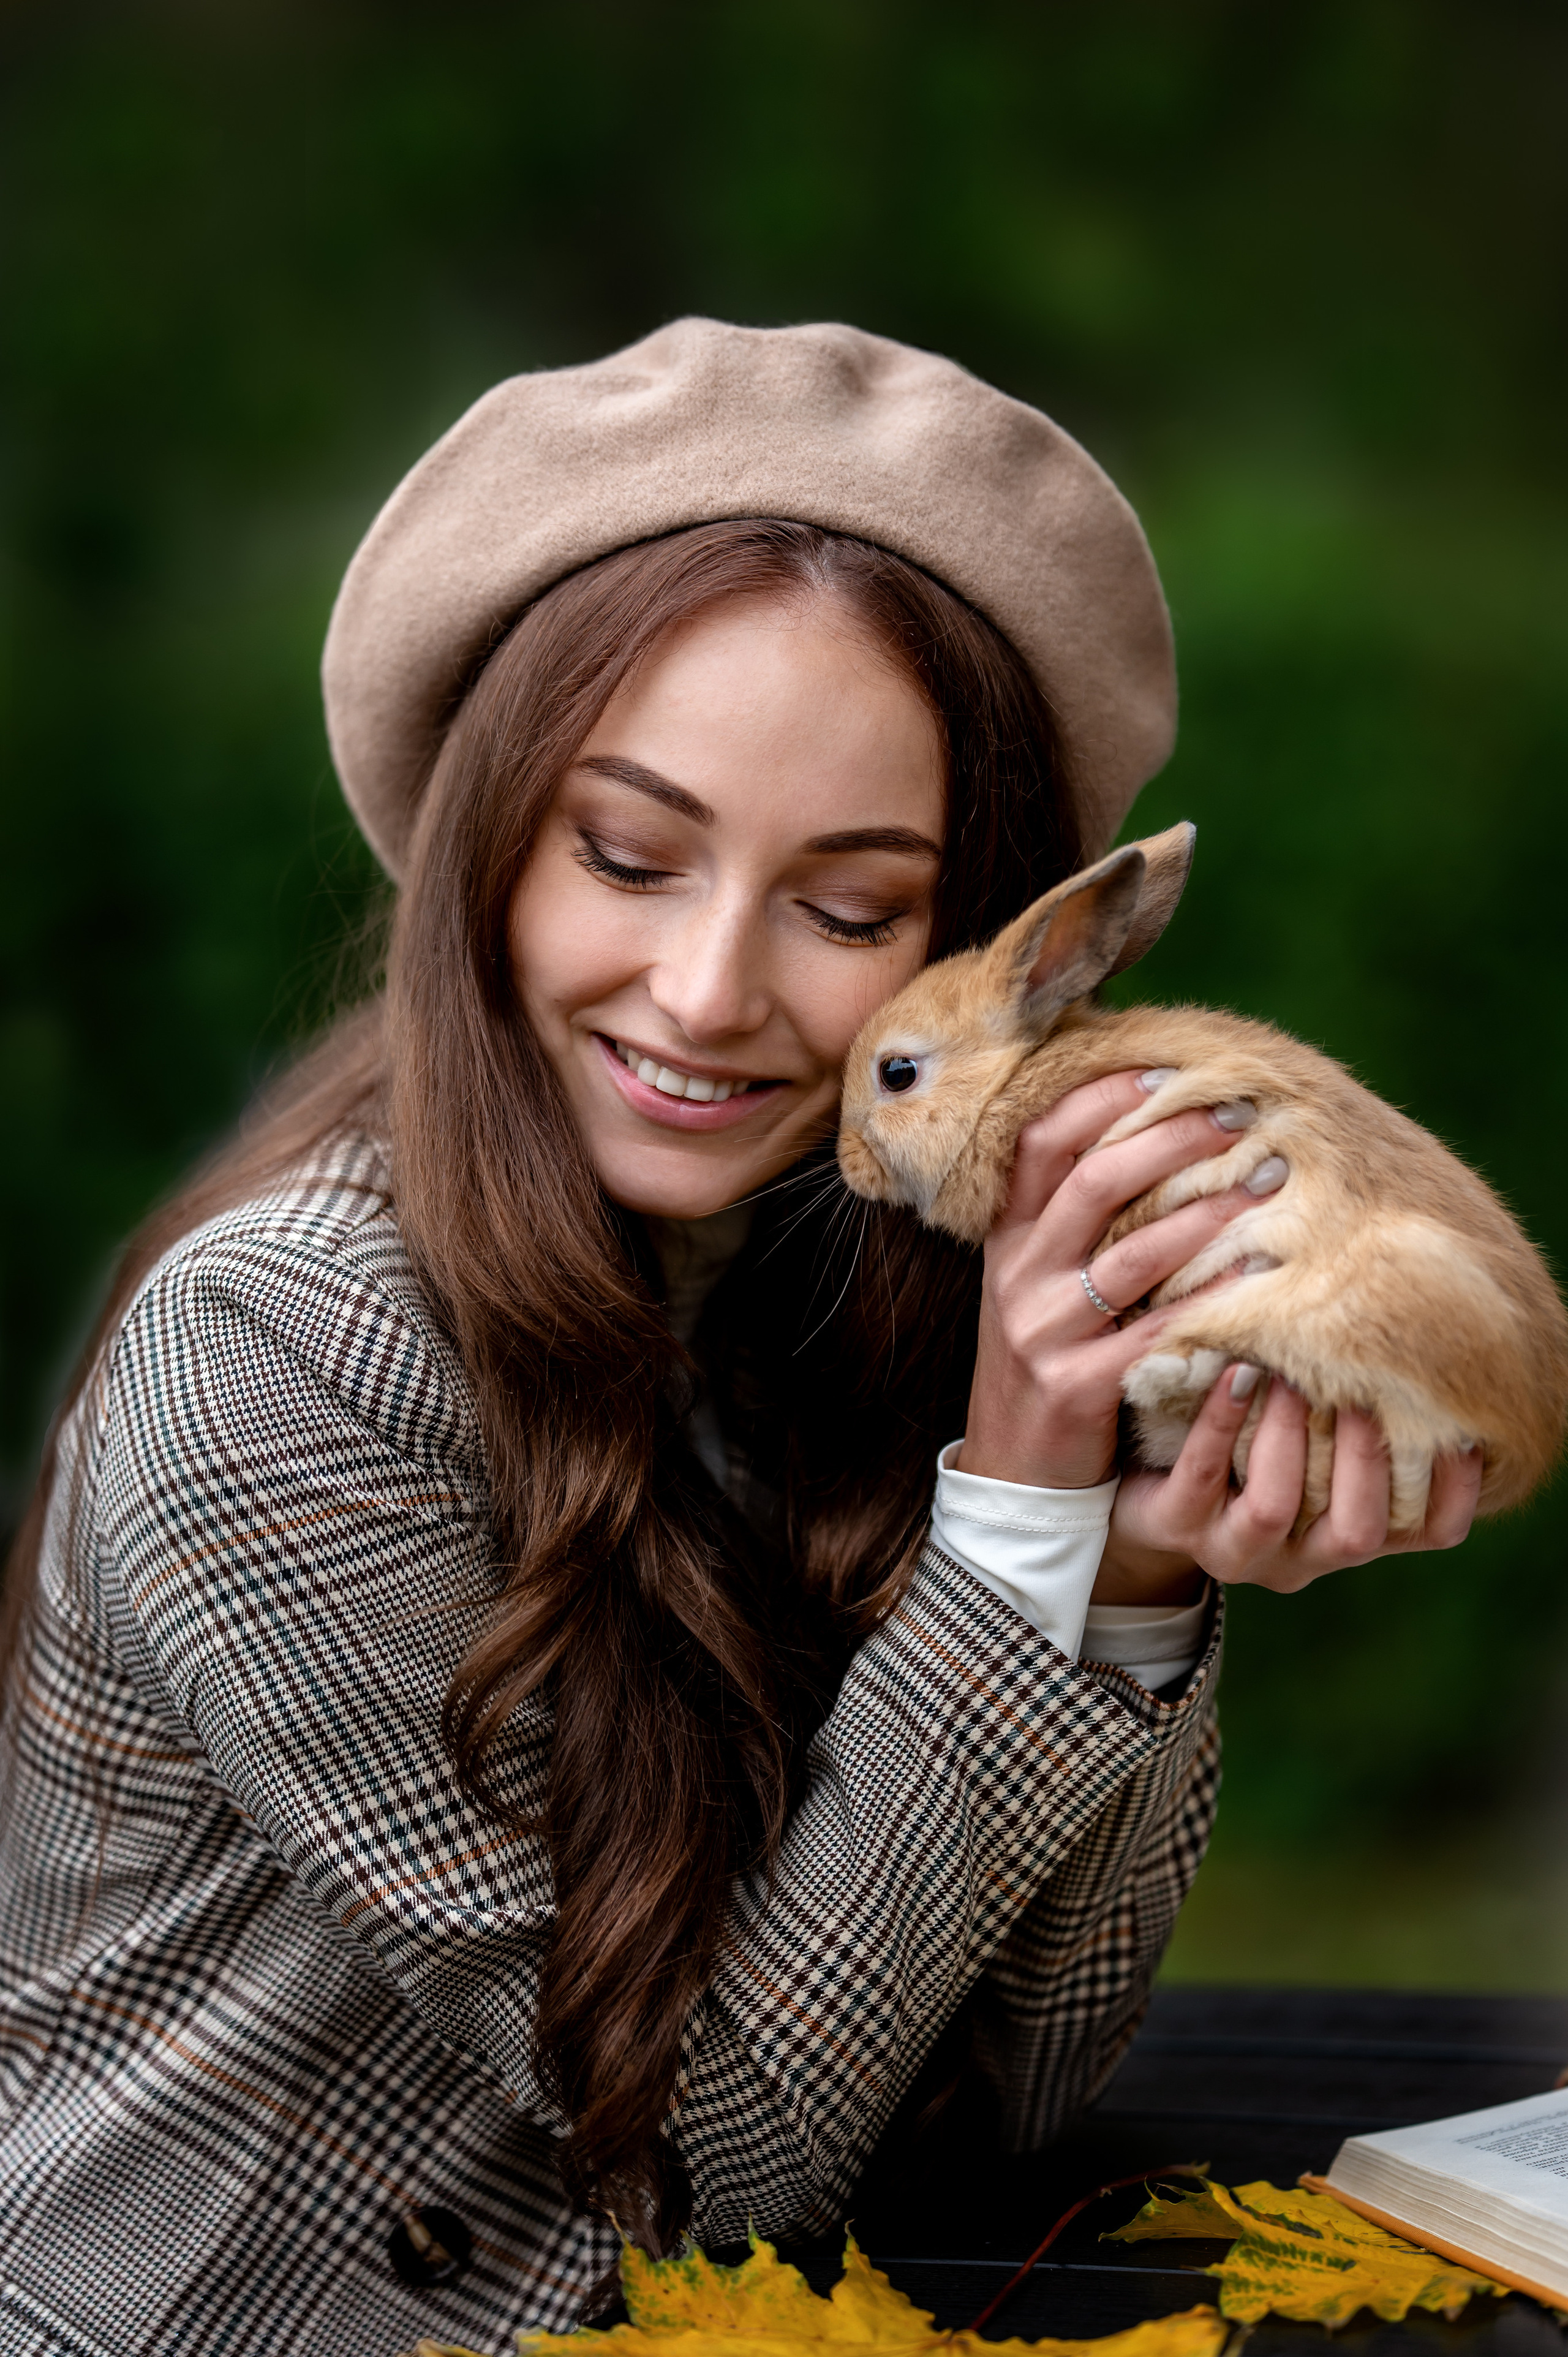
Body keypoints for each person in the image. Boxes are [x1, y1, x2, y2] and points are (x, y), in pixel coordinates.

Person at [0, 321, 1480, 2357]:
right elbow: (705, 2155)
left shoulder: (844, 1261)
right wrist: (1022, 1514)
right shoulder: (271, 1351)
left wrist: (1126, 1564)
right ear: (482, 840)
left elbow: (997, 2099)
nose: (707, 996)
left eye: (850, 907)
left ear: (978, 952)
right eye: (627, 854)